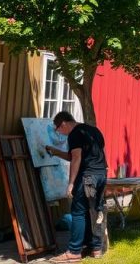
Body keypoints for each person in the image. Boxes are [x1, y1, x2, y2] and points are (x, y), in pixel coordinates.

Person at [45, 111, 108, 261]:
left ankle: (74, 252)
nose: (59, 133)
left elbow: (77, 158)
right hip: (100, 175)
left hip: (88, 178)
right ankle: (95, 248)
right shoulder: (93, 130)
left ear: (64, 124)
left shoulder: (74, 134)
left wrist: (71, 183)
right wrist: (56, 152)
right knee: (93, 210)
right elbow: (84, 154)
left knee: (78, 211)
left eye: (58, 129)